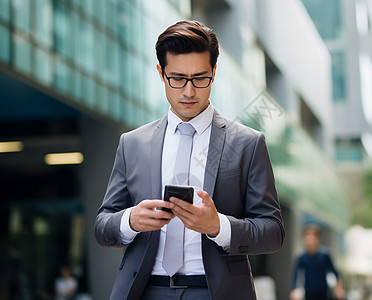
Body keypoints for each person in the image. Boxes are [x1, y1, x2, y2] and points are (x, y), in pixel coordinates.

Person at [94, 20, 285, 300]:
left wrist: (219, 226)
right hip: (144, 290)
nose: (188, 91)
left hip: (215, 291)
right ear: (161, 73)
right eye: (178, 78)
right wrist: (131, 220)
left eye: (199, 78)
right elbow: (102, 227)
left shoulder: (248, 143)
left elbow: (273, 231)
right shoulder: (132, 143)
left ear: (214, 72)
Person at [290, 225, 345, 300]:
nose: (310, 240)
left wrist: (339, 288)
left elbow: (335, 272)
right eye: (307, 237)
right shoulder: (301, 257)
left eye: (312, 237)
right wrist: (294, 290)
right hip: (309, 293)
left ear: (318, 238)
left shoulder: (325, 255)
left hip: (323, 292)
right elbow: (296, 275)